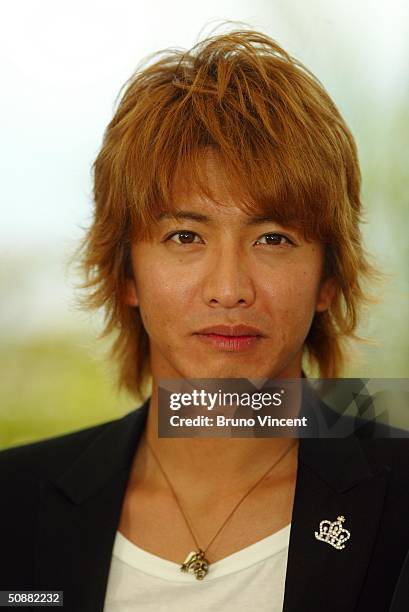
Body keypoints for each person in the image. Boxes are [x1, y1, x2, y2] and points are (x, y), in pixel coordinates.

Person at [0, 29, 408, 612]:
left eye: (273, 237)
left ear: (328, 279)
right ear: (126, 274)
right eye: (184, 236)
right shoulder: (13, 503)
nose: (229, 290)